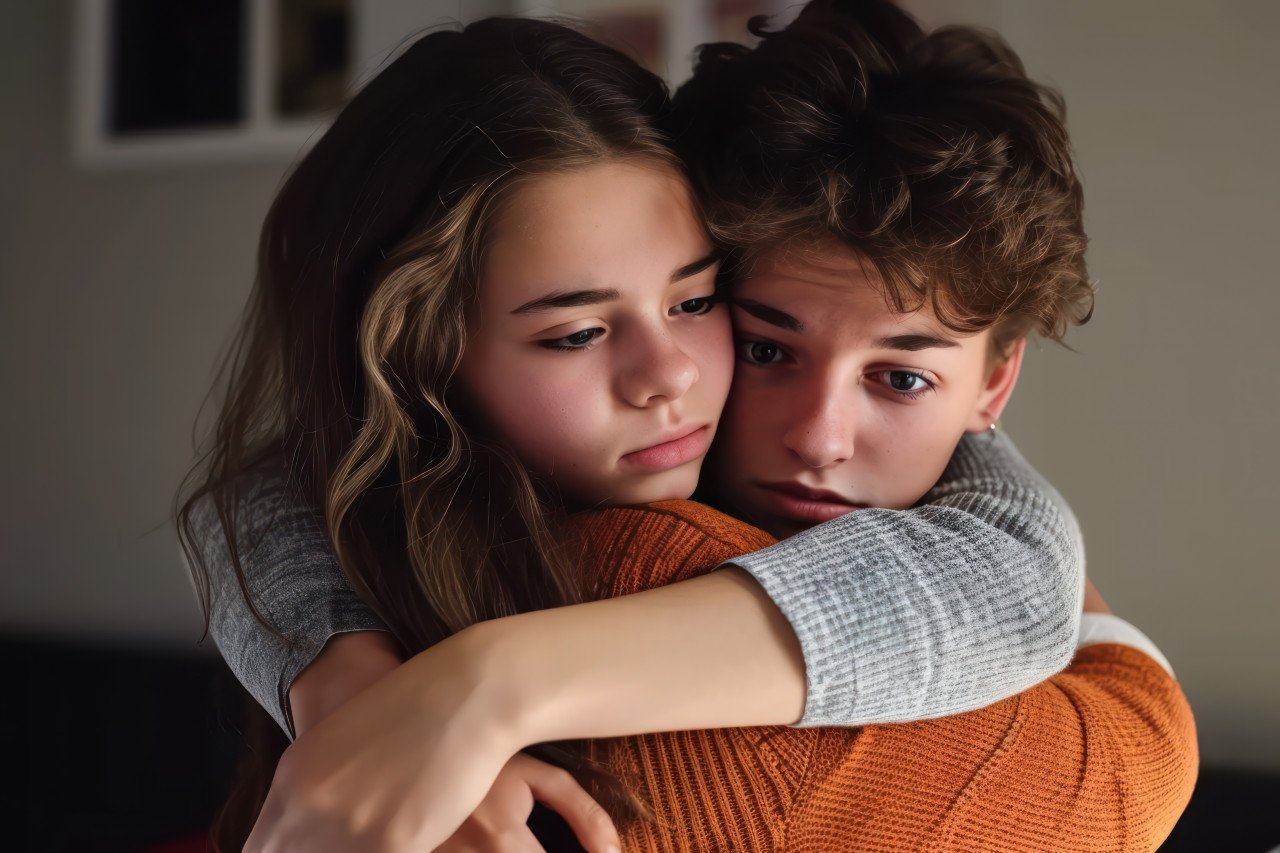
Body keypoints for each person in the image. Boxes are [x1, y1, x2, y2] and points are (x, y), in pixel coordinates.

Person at [177, 5, 1193, 851]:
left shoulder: (402, 553)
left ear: (993, 384)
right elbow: (1128, 761)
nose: (817, 437)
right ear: (414, 356)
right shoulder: (635, 566)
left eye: (695, 304)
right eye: (764, 344)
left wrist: (442, 687)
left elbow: (278, 475)